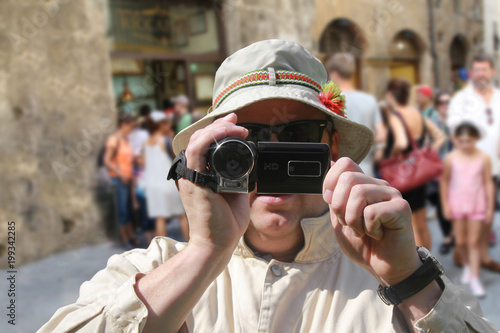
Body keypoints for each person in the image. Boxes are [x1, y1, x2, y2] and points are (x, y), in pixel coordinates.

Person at [39, 40, 497, 333]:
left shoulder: (392, 279)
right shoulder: (155, 269)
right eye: (248, 142)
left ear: (333, 148)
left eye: (297, 138)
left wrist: (410, 283)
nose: (270, 157)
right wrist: (205, 252)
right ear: (212, 152)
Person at [448, 53, 500, 272]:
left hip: (494, 166)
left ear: (492, 72)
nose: (480, 74)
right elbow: (453, 130)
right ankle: (462, 250)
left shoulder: (498, 96)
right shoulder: (462, 99)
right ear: (472, 73)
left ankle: (484, 255)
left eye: (484, 69)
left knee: (487, 209)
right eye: (477, 70)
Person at [383, 78, 445, 250]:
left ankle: (423, 269)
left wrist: (391, 154)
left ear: (390, 95)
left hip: (405, 174)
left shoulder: (396, 115)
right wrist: (427, 153)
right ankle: (431, 262)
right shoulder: (416, 113)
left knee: (412, 223)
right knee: (421, 221)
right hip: (419, 173)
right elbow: (440, 136)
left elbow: (402, 143)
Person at [440, 121, 495, 297]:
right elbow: (445, 181)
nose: (465, 144)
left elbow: (488, 182)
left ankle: (475, 277)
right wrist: (446, 204)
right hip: (457, 204)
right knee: (461, 242)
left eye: (469, 141)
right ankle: (466, 265)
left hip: (477, 203)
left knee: (473, 242)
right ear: (457, 140)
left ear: (476, 139)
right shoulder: (451, 158)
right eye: (462, 140)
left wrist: (490, 206)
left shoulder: (484, 157)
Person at [326, 52, 383, 177]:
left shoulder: (330, 101)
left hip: (338, 172)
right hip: (366, 170)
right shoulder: (370, 100)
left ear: (334, 74)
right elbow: (381, 135)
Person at [143, 111, 189, 241]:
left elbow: (143, 161)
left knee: (160, 217)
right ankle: (188, 243)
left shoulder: (148, 142)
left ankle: (161, 248)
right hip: (167, 183)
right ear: (160, 124)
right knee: (181, 215)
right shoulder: (166, 141)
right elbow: (178, 159)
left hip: (153, 184)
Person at [103, 113, 137, 249]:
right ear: (124, 125)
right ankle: (125, 239)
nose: (132, 129)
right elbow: (107, 160)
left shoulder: (126, 140)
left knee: (128, 210)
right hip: (118, 179)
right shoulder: (114, 139)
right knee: (122, 210)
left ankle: (131, 237)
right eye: (131, 126)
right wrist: (120, 174)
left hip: (128, 179)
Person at [427, 91, 455, 254]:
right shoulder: (432, 122)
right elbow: (427, 146)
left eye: (448, 102)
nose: (445, 106)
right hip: (438, 170)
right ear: (437, 105)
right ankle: (447, 236)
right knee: (440, 203)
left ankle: (456, 233)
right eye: (442, 103)